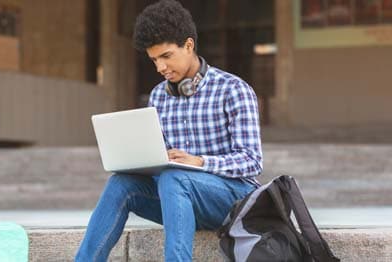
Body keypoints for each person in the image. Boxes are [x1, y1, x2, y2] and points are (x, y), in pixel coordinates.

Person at [75, 0, 263, 261]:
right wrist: (144, 162)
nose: (160, 68)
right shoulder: (158, 97)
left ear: (188, 45)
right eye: (154, 60)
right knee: (121, 183)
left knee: (175, 177)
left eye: (166, 56)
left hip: (234, 200)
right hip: (180, 198)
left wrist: (199, 162)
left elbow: (252, 162)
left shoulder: (234, 90)